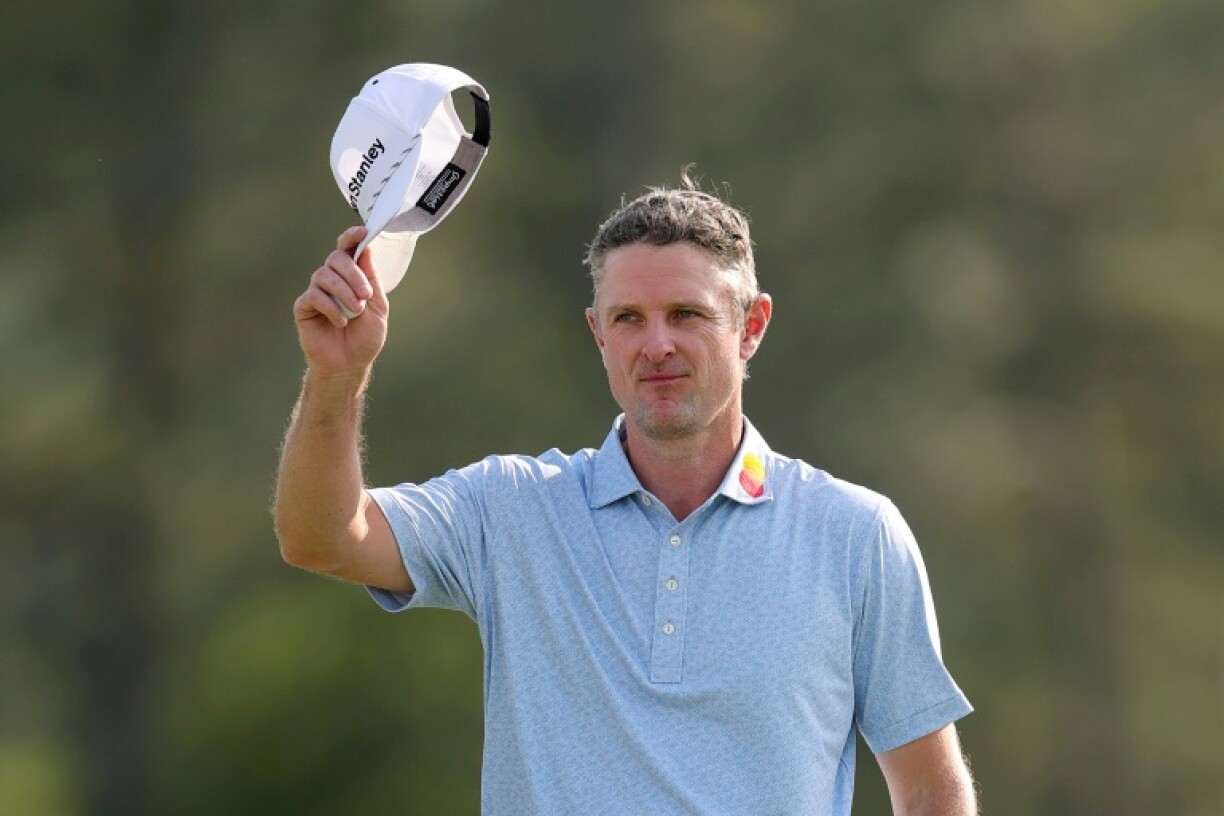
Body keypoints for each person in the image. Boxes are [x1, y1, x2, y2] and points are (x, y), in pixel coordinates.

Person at [275, 175, 978, 815]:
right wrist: (336, 376)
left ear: (751, 328)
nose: (657, 345)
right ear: (598, 334)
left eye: (687, 315)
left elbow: (928, 789)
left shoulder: (854, 534)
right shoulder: (512, 510)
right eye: (628, 319)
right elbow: (322, 537)